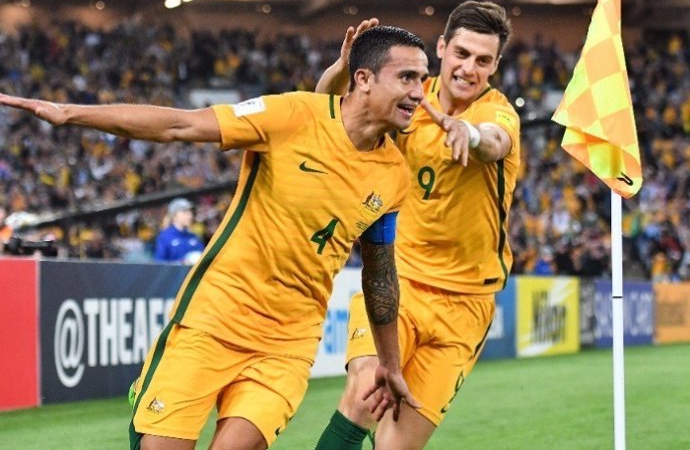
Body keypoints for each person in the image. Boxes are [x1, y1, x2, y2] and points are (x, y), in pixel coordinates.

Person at [0, 24, 429, 450]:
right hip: (215, 316)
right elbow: (179, 126)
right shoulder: (291, 116)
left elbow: (379, 276)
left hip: (288, 341)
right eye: (407, 77)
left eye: (423, 80)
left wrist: (389, 363)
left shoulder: (393, 176)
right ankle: (149, 403)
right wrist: (69, 112)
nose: (419, 92)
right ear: (364, 79)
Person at [314, 1, 520, 450]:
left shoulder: (498, 113)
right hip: (397, 283)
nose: (469, 68)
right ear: (442, 48)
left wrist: (469, 134)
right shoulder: (406, 94)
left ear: (495, 66)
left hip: (466, 305)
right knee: (365, 391)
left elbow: (495, 141)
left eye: (483, 60)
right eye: (462, 53)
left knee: (394, 446)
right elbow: (327, 111)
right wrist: (343, 68)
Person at [153, 197, 204, 264]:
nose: (190, 216)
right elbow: (159, 263)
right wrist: (181, 263)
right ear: (174, 215)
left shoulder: (194, 237)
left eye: (190, 212)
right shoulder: (164, 237)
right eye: (185, 212)